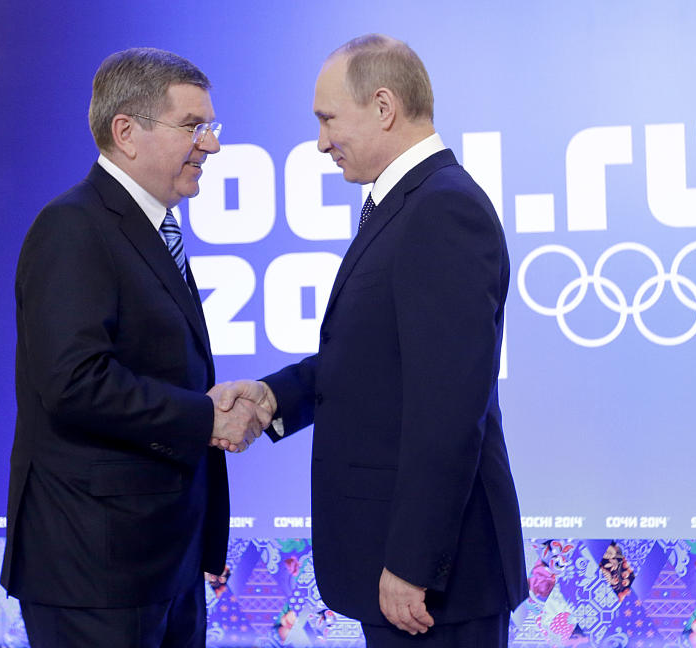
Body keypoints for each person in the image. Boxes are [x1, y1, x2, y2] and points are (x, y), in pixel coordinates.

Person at [215, 34, 527, 647]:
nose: (321, 141)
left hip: (435, 585)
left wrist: (413, 563)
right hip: (408, 574)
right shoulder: (406, 205)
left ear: (383, 108)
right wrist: (274, 398)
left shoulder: (441, 210)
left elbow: (448, 409)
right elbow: (373, 364)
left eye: (328, 119)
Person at [1, 47, 266, 648]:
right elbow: (75, 382)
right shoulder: (73, 227)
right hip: (95, 567)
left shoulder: (150, 225)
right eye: (194, 126)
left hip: (160, 560)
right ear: (127, 132)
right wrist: (208, 417)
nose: (212, 145)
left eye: (211, 127)